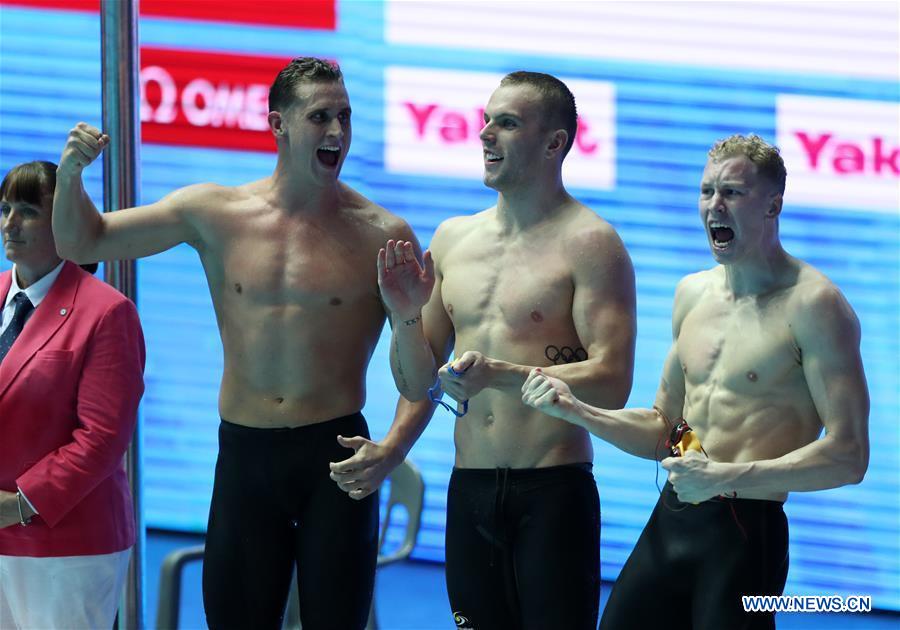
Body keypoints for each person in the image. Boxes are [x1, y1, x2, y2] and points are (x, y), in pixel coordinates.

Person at [52, 58, 420, 629]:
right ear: (278, 124)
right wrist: (71, 176)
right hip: (247, 458)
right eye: (320, 116)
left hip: (337, 459)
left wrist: (394, 446)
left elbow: (419, 379)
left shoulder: (382, 234)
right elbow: (83, 242)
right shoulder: (215, 214)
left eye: (345, 116)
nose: (337, 132)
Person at [521, 134, 870, 630]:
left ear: (773, 206)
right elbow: (667, 430)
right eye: (707, 191)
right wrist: (578, 410)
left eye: (732, 193)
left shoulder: (814, 306)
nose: (715, 206)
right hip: (672, 519)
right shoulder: (692, 294)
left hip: (745, 536)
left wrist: (725, 476)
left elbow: (849, 456)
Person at [332, 71, 637, 629]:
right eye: (487, 120)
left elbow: (613, 382)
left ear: (555, 143)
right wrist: (405, 318)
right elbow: (415, 382)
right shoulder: (454, 239)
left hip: (552, 491)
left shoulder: (592, 244)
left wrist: (499, 373)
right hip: (469, 490)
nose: (485, 134)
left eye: (508, 123)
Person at [0, 160, 145, 629]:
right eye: (4, 209)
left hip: (66, 545)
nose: (10, 224)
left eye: (27, 211)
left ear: (64, 220)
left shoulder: (107, 312)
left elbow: (100, 440)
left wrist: (18, 505)